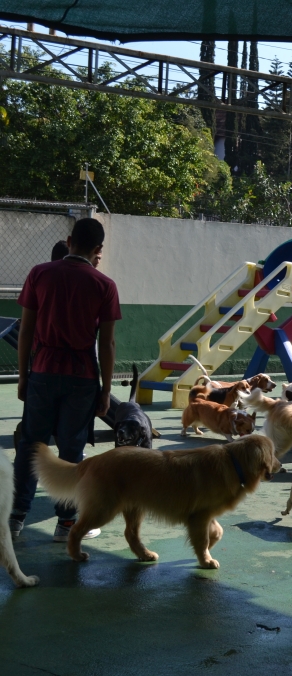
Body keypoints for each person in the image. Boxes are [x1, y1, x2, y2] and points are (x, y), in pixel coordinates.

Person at [8, 218, 121, 542]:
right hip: (82, 378)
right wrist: (106, 390)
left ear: (69, 240)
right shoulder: (105, 285)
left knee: (31, 446)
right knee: (70, 451)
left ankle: (15, 520)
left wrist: (23, 376)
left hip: (42, 372)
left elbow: (26, 330)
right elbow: (108, 343)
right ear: (98, 249)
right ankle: (66, 524)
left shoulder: (40, 274)